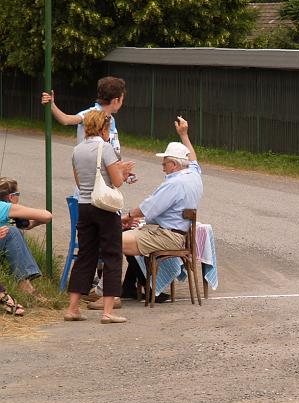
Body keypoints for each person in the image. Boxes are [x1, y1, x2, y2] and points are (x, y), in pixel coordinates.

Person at [64, 110, 127, 324]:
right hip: (105, 207)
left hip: (84, 205)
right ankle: (108, 311)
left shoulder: (77, 150)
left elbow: (80, 182)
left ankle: (73, 308)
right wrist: (123, 173)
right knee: (112, 255)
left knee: (85, 255)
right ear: (103, 128)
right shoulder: (105, 147)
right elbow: (117, 182)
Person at [122, 116, 202, 266]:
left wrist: (128, 216)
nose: (163, 167)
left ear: (173, 164)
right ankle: (133, 287)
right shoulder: (193, 174)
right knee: (126, 237)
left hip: (166, 235)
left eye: (165, 164)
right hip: (176, 233)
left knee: (112, 241)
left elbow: (149, 207)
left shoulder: (174, 183)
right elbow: (193, 159)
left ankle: (108, 287)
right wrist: (184, 135)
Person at [0, 178, 53, 300]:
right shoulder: (4, 207)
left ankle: (23, 283)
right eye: (18, 194)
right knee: (12, 232)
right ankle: (23, 284)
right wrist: (28, 222)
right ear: (11, 197)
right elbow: (47, 216)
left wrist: (27, 224)